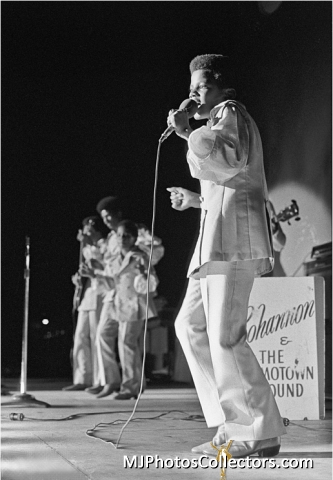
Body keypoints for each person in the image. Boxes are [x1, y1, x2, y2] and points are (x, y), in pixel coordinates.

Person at [166, 54, 286, 457]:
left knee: (224, 335)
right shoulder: (218, 119)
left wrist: (186, 135)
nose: (192, 96)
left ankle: (256, 432)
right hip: (218, 241)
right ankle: (227, 421)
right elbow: (229, 183)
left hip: (234, 243)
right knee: (189, 326)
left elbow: (226, 160)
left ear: (221, 86)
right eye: (189, 90)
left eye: (199, 87)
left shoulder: (230, 111)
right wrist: (196, 199)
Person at [94, 220, 158, 399]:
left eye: (126, 236)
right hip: (114, 303)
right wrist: (94, 275)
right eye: (119, 235)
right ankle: (110, 381)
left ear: (134, 238)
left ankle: (131, 386)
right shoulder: (112, 259)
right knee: (103, 335)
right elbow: (108, 284)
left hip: (133, 304)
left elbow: (152, 284)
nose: (122, 239)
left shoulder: (141, 256)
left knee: (127, 343)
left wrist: (144, 272)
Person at [63, 216, 106, 391]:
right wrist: (78, 279)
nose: (86, 230)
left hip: (101, 292)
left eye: (89, 227)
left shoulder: (105, 244)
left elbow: (107, 266)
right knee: (80, 336)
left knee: (97, 337)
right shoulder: (87, 248)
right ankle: (82, 377)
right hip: (87, 294)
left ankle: (99, 380)